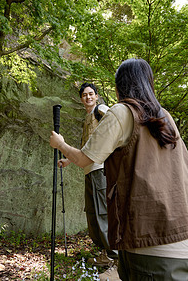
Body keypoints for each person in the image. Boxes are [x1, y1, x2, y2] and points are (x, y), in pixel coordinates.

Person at [50, 58, 188, 280]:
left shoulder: (121, 112)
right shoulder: (165, 117)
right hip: (181, 240)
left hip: (146, 243)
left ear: (119, 87)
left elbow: (86, 158)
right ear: (149, 83)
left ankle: (109, 256)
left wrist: (60, 145)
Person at [58, 83, 118, 273]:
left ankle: (114, 257)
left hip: (101, 169)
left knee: (102, 211)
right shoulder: (87, 118)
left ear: (97, 96)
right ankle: (103, 253)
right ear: (81, 98)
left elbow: (116, 127)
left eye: (91, 94)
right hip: (89, 170)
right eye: (84, 95)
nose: (88, 97)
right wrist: (69, 160)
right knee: (92, 212)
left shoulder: (101, 110)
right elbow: (86, 147)